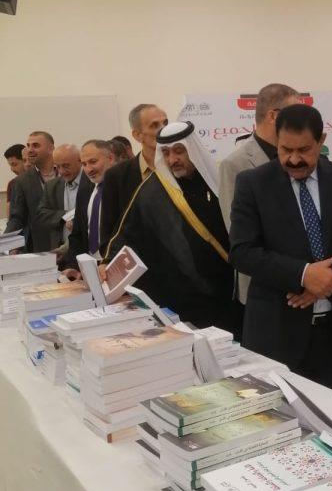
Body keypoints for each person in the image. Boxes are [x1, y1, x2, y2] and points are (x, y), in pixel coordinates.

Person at [229, 104, 332, 396]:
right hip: (276, 333)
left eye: (304, 150)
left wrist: (329, 278)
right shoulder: (253, 184)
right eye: (286, 150)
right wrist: (303, 275)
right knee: (280, 416)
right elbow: (242, 251)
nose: (294, 159)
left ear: (321, 141)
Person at [104, 122, 236, 333]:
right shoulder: (152, 190)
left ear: (193, 149)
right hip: (183, 294)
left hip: (228, 287)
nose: (172, 159)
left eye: (179, 151)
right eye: (165, 153)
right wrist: (108, 264)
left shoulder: (219, 178)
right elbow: (127, 233)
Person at [219, 83, 298, 305]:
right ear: (274, 116)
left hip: (306, 282)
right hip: (262, 286)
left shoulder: (302, 158)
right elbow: (237, 233)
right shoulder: (235, 164)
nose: (301, 119)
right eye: (295, 113)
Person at [100, 104, 168, 252]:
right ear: (137, 135)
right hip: (136, 259)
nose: (163, 129)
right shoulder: (117, 176)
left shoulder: (180, 169)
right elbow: (109, 232)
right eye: (154, 125)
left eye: (165, 123)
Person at [61, 140, 114, 276]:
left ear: (110, 158)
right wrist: (73, 266)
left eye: (93, 162)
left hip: (114, 265)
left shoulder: (122, 189)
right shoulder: (85, 190)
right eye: (84, 164)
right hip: (89, 267)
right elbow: (77, 234)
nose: (88, 169)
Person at [6, 131, 58, 251]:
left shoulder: (65, 173)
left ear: (51, 148)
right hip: (39, 246)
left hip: (70, 243)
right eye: (28, 145)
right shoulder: (21, 181)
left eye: (36, 145)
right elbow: (17, 218)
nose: (29, 150)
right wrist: (7, 243)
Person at [36, 144, 82, 250]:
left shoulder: (92, 183)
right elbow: (41, 214)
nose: (61, 171)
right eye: (57, 167)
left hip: (86, 248)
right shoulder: (51, 186)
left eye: (66, 166)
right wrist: (66, 215)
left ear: (80, 161)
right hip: (61, 248)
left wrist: (79, 219)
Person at [4, 143, 25, 216]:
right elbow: (10, 214)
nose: (12, 169)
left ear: (25, 160)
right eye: (10, 165)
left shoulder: (39, 179)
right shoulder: (12, 184)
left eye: (14, 164)